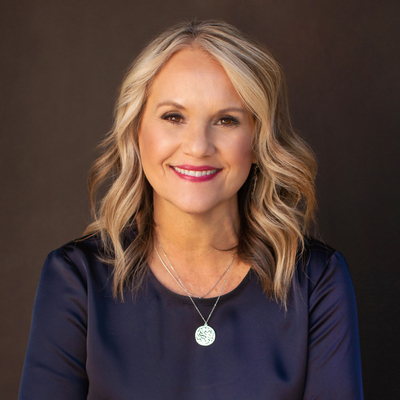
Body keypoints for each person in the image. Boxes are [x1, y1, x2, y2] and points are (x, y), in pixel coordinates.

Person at [19, 20, 363, 399]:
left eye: (226, 120)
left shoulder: (316, 281)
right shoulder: (76, 279)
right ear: (136, 130)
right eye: (173, 117)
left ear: (258, 140)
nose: (198, 146)